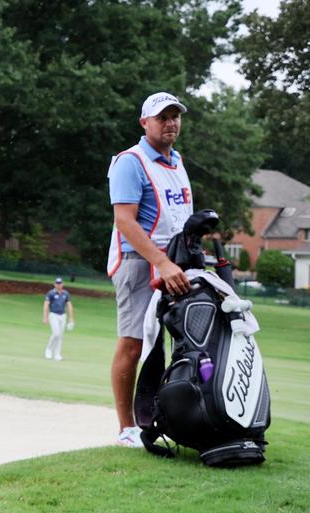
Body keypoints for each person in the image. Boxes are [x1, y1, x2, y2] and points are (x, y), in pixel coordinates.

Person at [107, 92, 192, 447]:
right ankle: (127, 428)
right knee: (133, 343)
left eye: (175, 116)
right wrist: (162, 262)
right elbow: (124, 221)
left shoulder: (176, 160)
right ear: (145, 123)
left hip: (174, 264)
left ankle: (164, 418)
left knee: (174, 345)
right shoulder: (131, 161)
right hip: (139, 263)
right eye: (163, 117)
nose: (170, 122)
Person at [43, 277, 76, 360]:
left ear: (62, 284)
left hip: (63, 316)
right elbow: (46, 305)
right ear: (54, 284)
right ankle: (48, 349)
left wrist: (71, 318)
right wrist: (45, 317)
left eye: (60, 283)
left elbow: (69, 306)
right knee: (56, 333)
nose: (58, 285)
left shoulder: (66, 294)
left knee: (60, 336)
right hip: (53, 315)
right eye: (57, 283)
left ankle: (57, 354)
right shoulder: (51, 293)